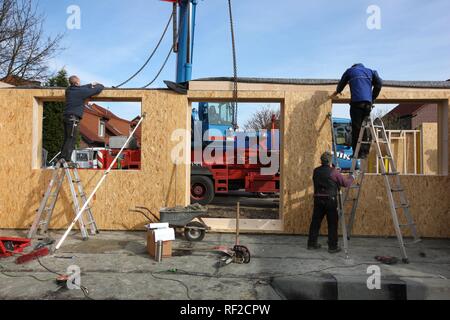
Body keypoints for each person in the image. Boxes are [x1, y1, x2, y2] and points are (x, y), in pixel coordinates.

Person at [332, 63, 383, 159]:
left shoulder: (350, 71)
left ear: (353, 67)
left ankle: (357, 152)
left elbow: (341, 83)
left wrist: (338, 91)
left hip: (356, 104)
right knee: (365, 127)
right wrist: (372, 98)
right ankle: (365, 152)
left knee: (356, 128)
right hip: (367, 105)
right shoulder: (371, 71)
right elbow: (379, 84)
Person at [307, 151, 355, 253]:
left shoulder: (316, 171)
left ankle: (311, 243)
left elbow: (325, 175)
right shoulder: (334, 172)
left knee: (315, 222)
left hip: (318, 200)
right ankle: (332, 247)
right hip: (330, 201)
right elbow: (345, 183)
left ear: (321, 160)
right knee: (332, 223)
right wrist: (352, 177)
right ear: (330, 161)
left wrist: (334, 170)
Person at [60, 75, 104, 162]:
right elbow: (97, 90)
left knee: (67, 138)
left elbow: (80, 88)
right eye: (79, 82)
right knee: (71, 139)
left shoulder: (68, 90)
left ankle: (62, 157)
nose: (80, 83)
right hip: (73, 119)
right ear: (76, 83)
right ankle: (66, 159)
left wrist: (89, 84)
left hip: (66, 117)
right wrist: (99, 85)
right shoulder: (80, 91)